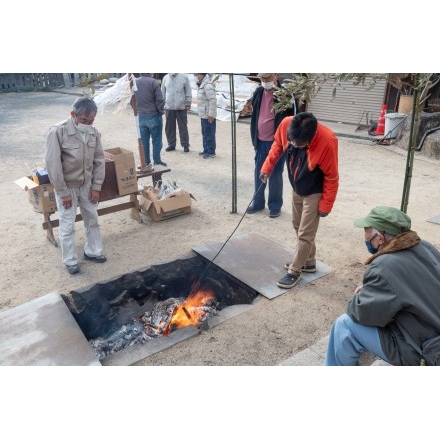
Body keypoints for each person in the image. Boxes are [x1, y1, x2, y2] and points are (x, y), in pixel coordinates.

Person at [324, 206, 440, 366]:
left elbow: (361, 312)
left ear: (380, 238)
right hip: (431, 331)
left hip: (427, 353)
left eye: (366, 231)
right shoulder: (425, 247)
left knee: (344, 325)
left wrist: (360, 295)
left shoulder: (383, 267)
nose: (364, 236)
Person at [260, 112, 339, 289]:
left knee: (305, 233)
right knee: (297, 224)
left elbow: (332, 177)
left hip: (314, 191)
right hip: (297, 186)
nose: (294, 145)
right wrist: (267, 168)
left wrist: (326, 205)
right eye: (292, 141)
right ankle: (309, 262)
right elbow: (277, 146)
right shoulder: (287, 124)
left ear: (310, 138)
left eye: (299, 144)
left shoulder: (328, 140)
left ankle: (294, 271)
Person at [44, 96, 106, 275]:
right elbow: (53, 164)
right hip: (67, 186)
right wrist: (62, 192)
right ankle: (70, 260)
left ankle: (93, 251)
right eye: (83, 120)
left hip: (87, 186)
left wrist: (96, 187)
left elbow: (99, 160)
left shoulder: (93, 132)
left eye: (91, 120)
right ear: (73, 114)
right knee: (67, 223)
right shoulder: (57, 131)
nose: (87, 124)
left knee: (92, 218)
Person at [247, 73, 296, 218]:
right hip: (260, 141)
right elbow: (255, 114)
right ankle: (258, 203)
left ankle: (275, 205)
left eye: (267, 78)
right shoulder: (258, 92)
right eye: (262, 78)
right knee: (259, 172)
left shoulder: (285, 95)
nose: (264, 81)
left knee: (275, 174)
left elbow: (292, 119)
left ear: (275, 75)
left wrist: (289, 141)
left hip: (278, 143)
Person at [133, 73, 166, 170]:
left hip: (141, 116)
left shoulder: (135, 82)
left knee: (143, 141)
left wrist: (137, 110)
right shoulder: (153, 82)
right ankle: (157, 161)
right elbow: (159, 100)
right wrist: (160, 111)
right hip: (153, 115)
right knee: (156, 141)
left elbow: (132, 100)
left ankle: (146, 162)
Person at [161, 73, 192, 153]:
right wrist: (162, 105)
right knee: (169, 127)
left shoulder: (184, 77)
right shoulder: (165, 78)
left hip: (181, 107)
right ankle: (171, 144)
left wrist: (188, 103)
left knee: (183, 127)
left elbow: (188, 90)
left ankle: (185, 145)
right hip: (169, 107)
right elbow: (162, 93)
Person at [195, 73, 217, 159]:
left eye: (198, 75)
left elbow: (212, 100)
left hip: (208, 115)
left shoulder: (207, 86)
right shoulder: (201, 85)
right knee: (205, 133)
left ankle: (211, 152)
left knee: (209, 133)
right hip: (203, 114)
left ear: (203, 76)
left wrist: (211, 114)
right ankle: (206, 149)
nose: (197, 77)